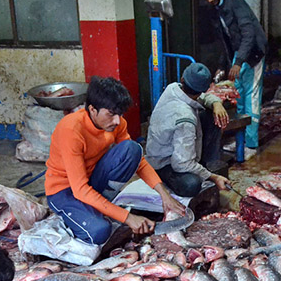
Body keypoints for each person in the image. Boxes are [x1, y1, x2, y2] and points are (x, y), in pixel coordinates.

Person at [44, 76, 185, 245]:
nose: (117, 121)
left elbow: (138, 161)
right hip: (64, 191)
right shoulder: (71, 130)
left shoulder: (117, 123)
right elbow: (80, 190)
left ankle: (97, 208)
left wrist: (164, 195)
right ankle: (74, 214)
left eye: (119, 114)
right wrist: (128, 218)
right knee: (99, 232)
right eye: (110, 114)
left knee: (131, 149)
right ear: (92, 110)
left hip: (91, 181)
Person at [145, 62, 232, 197]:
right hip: (163, 163)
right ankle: (165, 178)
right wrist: (212, 177)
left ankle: (205, 165)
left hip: (168, 150)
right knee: (191, 184)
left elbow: (203, 98)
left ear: (182, 79)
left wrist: (216, 104)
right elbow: (181, 164)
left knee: (210, 115)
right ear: (203, 89)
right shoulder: (185, 118)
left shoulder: (174, 88)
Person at [200, 0, 267, 154]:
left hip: (253, 52)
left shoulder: (236, 3)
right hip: (238, 52)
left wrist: (239, 62)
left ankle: (251, 144)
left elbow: (248, 34)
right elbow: (224, 40)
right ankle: (240, 140)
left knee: (251, 96)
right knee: (239, 94)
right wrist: (223, 66)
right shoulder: (215, 8)